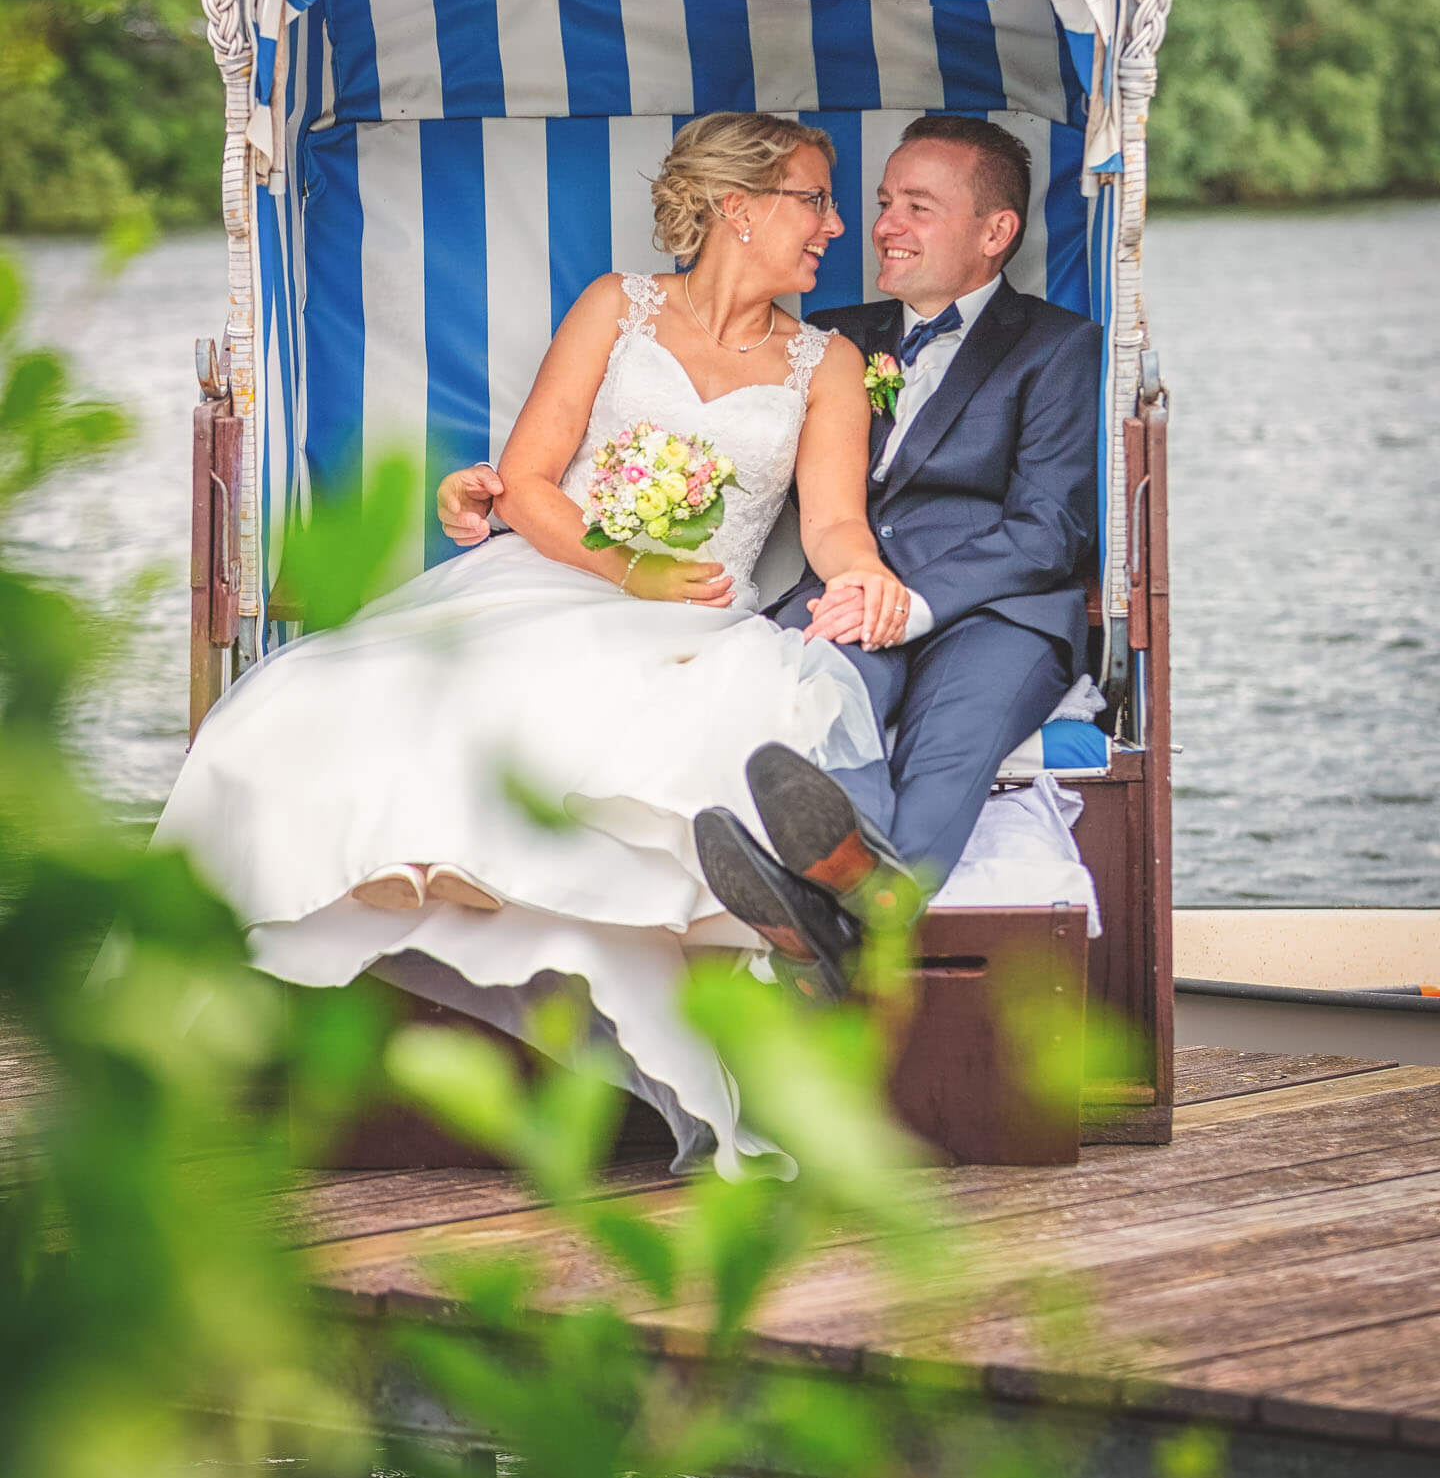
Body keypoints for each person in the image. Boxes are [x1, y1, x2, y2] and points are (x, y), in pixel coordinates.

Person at [152, 112, 909, 1176]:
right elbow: (532, 480)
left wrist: (863, 571)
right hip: (557, 576)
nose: (836, 225)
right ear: (737, 207)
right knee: (322, 696)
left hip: (699, 621)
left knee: (634, 723)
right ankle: (395, 877)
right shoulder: (617, 305)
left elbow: (831, 523)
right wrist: (623, 565)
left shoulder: (827, 364)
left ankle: (474, 869)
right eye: (816, 199)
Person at [440, 115, 1102, 987]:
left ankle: (853, 919)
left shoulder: (1055, 346)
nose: (868, 227)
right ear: (737, 207)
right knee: (826, 699)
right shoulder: (838, 333)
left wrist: (890, 586)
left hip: (992, 610)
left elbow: (1048, 527)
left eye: (915, 207)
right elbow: (545, 472)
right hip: (830, 595)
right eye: (870, 203)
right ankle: (842, 890)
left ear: (995, 232)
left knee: (949, 737)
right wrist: (489, 492)